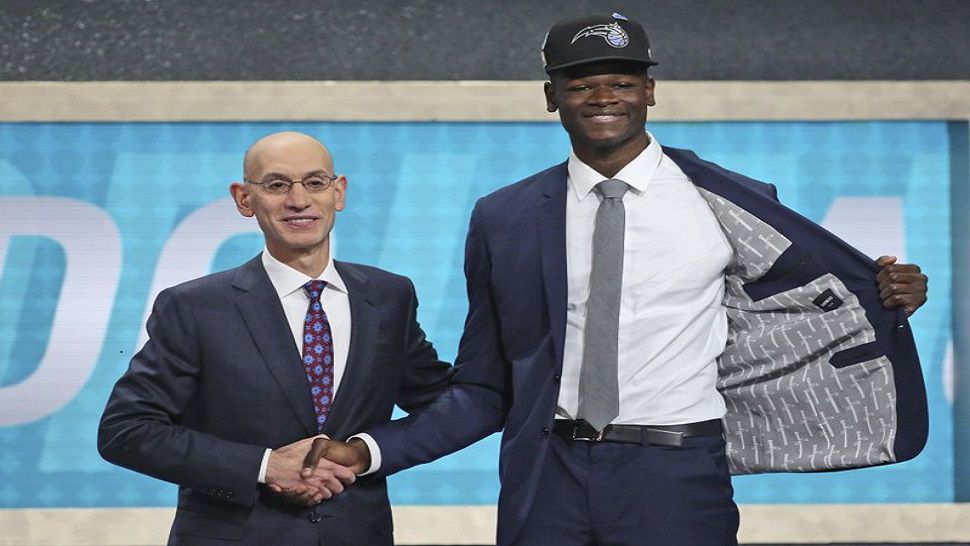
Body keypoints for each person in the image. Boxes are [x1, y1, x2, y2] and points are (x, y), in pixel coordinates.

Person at [306, 13, 930, 546]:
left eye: (621, 82)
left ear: (650, 91)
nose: (603, 96)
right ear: (552, 96)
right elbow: (485, 387)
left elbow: (815, 300)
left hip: (677, 474)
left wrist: (893, 297)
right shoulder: (505, 216)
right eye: (581, 84)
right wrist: (368, 451)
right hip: (546, 478)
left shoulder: (729, 200)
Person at [98, 131, 454, 545]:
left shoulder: (389, 296)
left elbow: (445, 406)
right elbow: (127, 431)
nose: (298, 200)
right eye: (276, 185)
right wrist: (265, 466)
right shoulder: (195, 307)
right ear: (244, 199)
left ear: (339, 192)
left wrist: (364, 453)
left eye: (315, 182)